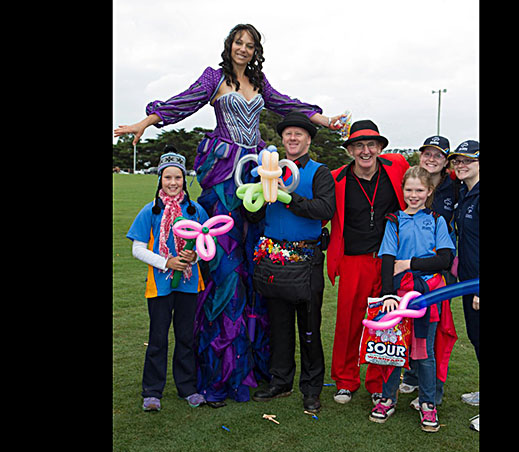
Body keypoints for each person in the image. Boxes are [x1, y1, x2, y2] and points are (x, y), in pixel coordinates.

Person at [115, 23, 345, 405]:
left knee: (254, 266)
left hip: (253, 174)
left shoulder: (261, 82)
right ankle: (218, 372)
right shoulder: (214, 78)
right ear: (230, 46)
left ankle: (261, 368)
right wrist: (145, 122)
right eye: (238, 42)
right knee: (224, 269)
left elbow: (288, 104)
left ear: (256, 51)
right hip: (224, 176)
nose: (243, 48)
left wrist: (324, 120)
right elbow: (183, 102)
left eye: (250, 44)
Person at [247, 112, 335, 413]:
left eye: (299, 134)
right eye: (288, 134)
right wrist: (257, 197)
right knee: (278, 326)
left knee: (309, 327)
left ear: (309, 140)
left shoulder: (318, 172)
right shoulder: (266, 170)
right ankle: (280, 381)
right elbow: (253, 215)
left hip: (306, 259)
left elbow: (325, 208)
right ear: (282, 140)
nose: (293, 138)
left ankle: (311, 388)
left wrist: (287, 197)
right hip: (273, 259)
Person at [325, 120, 409, 405]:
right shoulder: (336, 178)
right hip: (352, 260)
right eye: (358, 145)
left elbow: (424, 183)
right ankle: (345, 380)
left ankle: (378, 383)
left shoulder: (396, 166)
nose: (365, 151)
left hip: (389, 260)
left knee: (384, 323)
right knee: (348, 322)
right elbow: (319, 211)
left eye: (371, 144)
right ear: (349, 150)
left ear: (380, 148)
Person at [369, 165, 455, 432]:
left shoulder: (437, 219)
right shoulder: (394, 220)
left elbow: (444, 259)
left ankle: (428, 403)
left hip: (428, 294)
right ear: (403, 190)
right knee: (394, 350)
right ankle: (387, 398)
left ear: (429, 191)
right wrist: (388, 295)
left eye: (420, 190)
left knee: (425, 352)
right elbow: (387, 261)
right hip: (400, 294)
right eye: (409, 189)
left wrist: (409, 263)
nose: (414, 195)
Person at [126, 149, 210, 412]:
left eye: (178, 178)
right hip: (159, 285)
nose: (173, 183)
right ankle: (152, 391)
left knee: (186, 336)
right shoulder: (150, 210)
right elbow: (137, 248)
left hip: (188, 284)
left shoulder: (195, 209)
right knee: (158, 337)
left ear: (184, 180)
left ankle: (187, 387)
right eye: (167, 177)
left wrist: (193, 256)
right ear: (160, 179)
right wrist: (166, 262)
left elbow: (208, 241)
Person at [399, 135, 459, 408]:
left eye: (438, 155)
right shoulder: (411, 184)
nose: (431, 159)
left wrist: (450, 269)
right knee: (411, 325)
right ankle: (412, 376)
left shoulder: (455, 187)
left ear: (446, 161)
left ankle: (433, 393)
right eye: (428, 153)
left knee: (436, 331)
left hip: (439, 274)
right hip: (410, 275)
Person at [448, 140, 479, 431]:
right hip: (468, 281)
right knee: (477, 337)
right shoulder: (465, 193)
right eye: (458, 161)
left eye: (468, 160)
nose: (461, 165)